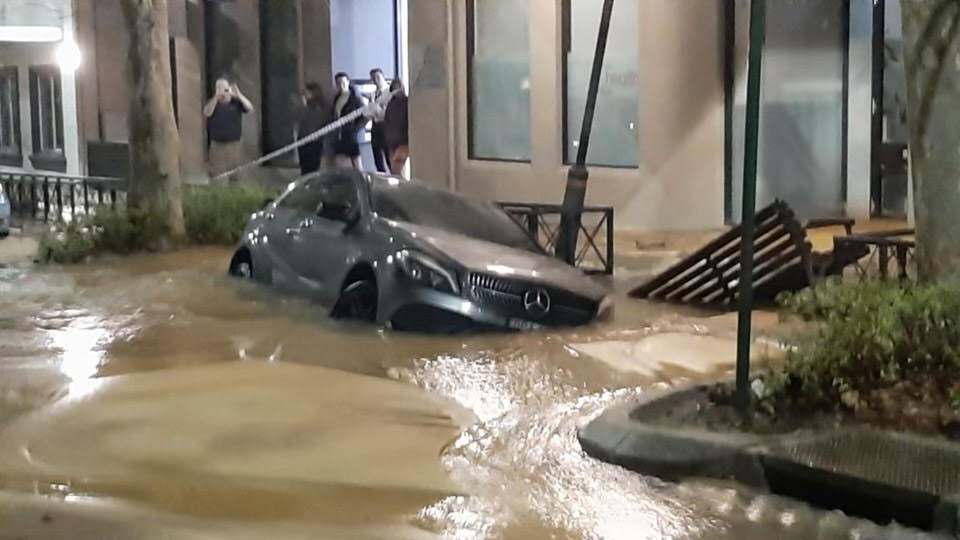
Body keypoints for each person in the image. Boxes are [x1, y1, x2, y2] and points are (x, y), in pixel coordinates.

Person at [203, 77, 253, 184]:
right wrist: (216, 98)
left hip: (235, 145)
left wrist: (238, 94)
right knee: (218, 178)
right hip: (217, 146)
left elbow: (249, 108)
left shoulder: (236, 103)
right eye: (219, 88)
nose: (222, 92)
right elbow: (207, 113)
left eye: (224, 88)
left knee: (236, 177)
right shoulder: (213, 103)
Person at [331, 72, 365, 170]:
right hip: (339, 135)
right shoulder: (337, 98)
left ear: (348, 82)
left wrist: (354, 129)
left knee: (357, 165)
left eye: (343, 82)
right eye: (338, 83)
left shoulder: (355, 98)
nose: (341, 85)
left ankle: (362, 182)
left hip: (351, 136)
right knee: (339, 163)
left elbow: (364, 116)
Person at [294, 82, 330, 175]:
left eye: (307, 93)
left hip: (314, 140)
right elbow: (298, 119)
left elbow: (318, 121)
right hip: (303, 139)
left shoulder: (320, 108)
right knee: (304, 166)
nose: (304, 95)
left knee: (312, 166)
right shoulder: (305, 106)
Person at [367, 68, 392, 173]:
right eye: (373, 78)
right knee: (377, 156)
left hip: (386, 126)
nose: (376, 80)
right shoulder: (373, 94)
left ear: (383, 77)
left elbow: (387, 110)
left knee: (388, 156)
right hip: (375, 126)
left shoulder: (389, 91)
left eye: (378, 77)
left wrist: (378, 109)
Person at [384, 78, 409, 176]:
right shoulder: (390, 104)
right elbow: (387, 121)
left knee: (397, 167)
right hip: (391, 140)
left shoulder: (407, 103)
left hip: (402, 140)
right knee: (394, 169)